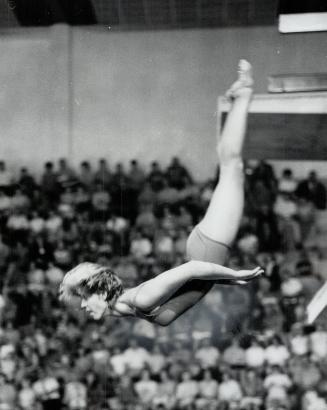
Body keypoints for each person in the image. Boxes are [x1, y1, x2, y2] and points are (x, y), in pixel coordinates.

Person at [59, 60, 263, 326]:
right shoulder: (123, 307)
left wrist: (235, 275)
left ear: (102, 291)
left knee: (232, 165)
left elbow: (194, 269)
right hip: (206, 251)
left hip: (208, 249)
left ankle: (244, 93)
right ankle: (240, 97)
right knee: (230, 167)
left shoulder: (141, 299)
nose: (83, 306)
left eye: (85, 298)